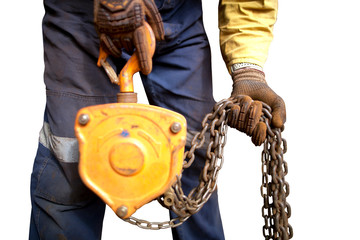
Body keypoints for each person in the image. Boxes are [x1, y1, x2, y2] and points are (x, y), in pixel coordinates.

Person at [29, 0, 285, 239]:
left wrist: (247, 68)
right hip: (81, 17)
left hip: (175, 16)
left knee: (195, 159)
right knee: (74, 158)